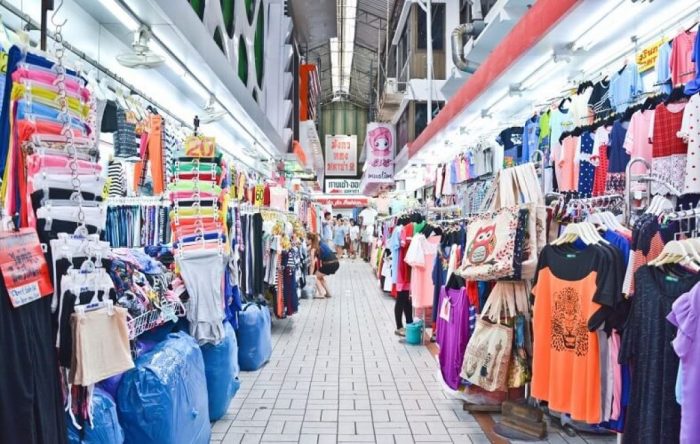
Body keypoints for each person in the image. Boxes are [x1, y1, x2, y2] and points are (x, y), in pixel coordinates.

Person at [307, 233, 338, 298]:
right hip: (336, 263)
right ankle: (328, 293)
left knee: (315, 276)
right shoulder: (321, 244)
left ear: (310, 240)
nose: (306, 241)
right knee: (320, 277)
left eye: (306, 240)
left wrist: (310, 275)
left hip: (329, 264)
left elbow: (312, 264)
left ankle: (321, 293)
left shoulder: (314, 249)